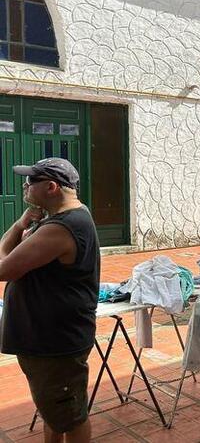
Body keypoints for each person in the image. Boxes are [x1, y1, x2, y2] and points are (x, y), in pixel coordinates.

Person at [0, 158, 99, 443]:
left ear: (52, 187)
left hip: (55, 345)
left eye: (31, 181)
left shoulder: (61, 228)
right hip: (49, 342)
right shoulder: (62, 219)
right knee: (55, 413)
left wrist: (19, 233)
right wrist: (21, 224)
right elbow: (7, 255)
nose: (24, 185)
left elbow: (4, 268)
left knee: (71, 416)